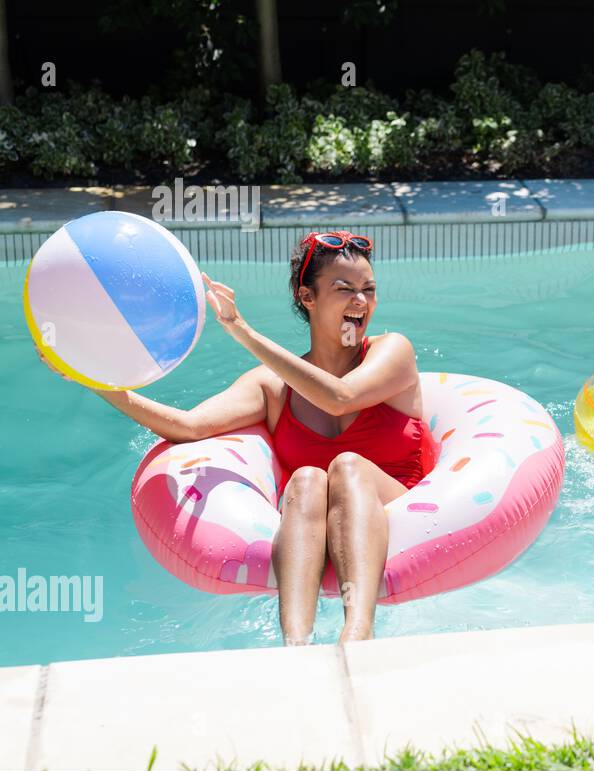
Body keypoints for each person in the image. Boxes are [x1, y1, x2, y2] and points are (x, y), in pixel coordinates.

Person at [38, 231, 436, 644]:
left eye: (368, 290)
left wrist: (241, 329)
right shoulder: (273, 387)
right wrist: (92, 380)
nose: (361, 301)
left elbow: (340, 397)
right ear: (307, 297)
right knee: (306, 479)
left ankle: (357, 635)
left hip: (396, 505)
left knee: (347, 467)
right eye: (345, 289)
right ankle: (296, 645)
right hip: (315, 515)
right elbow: (190, 427)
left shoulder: (391, 351)